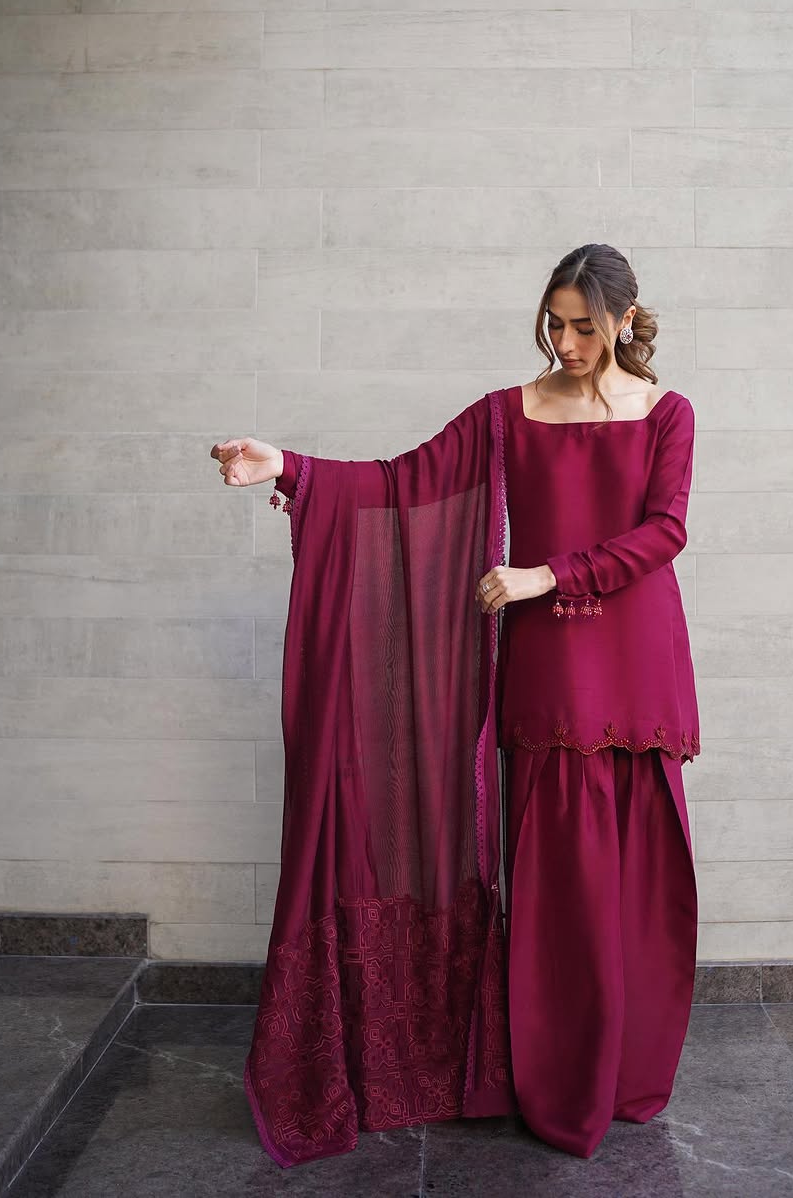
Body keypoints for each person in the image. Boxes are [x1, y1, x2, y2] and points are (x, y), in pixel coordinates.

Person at [210, 242, 699, 1165]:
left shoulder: (668, 414)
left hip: (641, 674)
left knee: (644, 888)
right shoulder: (510, 415)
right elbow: (401, 483)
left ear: (625, 322)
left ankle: (631, 1076)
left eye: (584, 327)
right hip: (553, 677)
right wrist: (289, 467)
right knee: (561, 890)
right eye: (553, 324)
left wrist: (545, 574)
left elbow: (666, 530)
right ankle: (559, 1084)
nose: (565, 343)